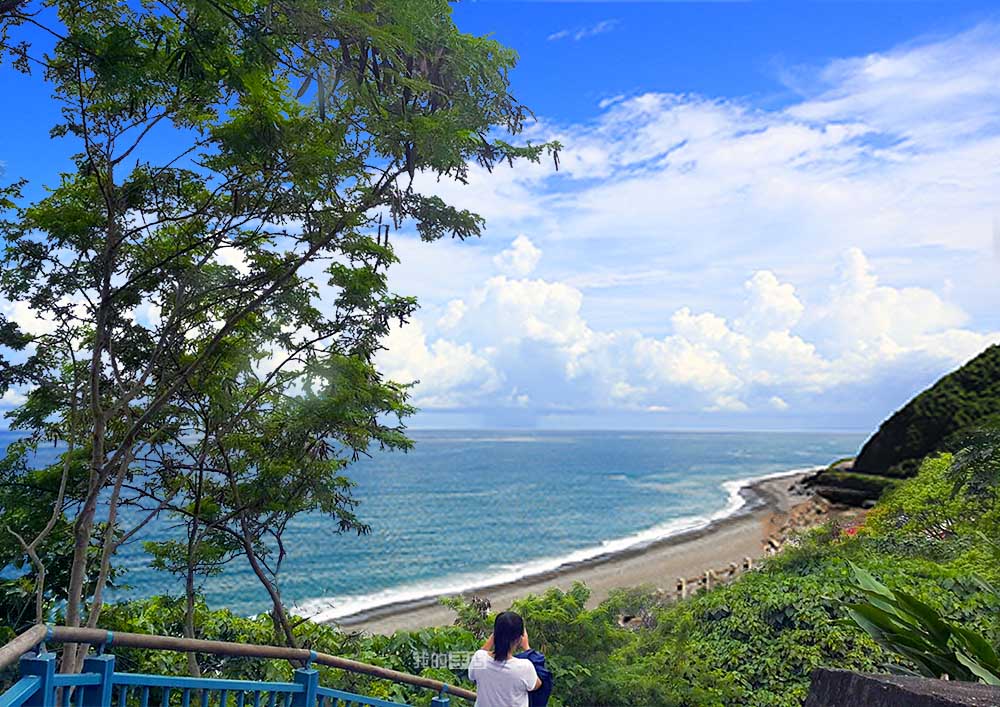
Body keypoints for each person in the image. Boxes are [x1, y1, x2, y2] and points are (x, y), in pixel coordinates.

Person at [468, 611, 544, 707]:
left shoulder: (479, 658)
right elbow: (536, 685)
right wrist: (527, 648)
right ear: (519, 639)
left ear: (494, 634)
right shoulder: (524, 667)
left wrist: (494, 637)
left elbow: (472, 675)